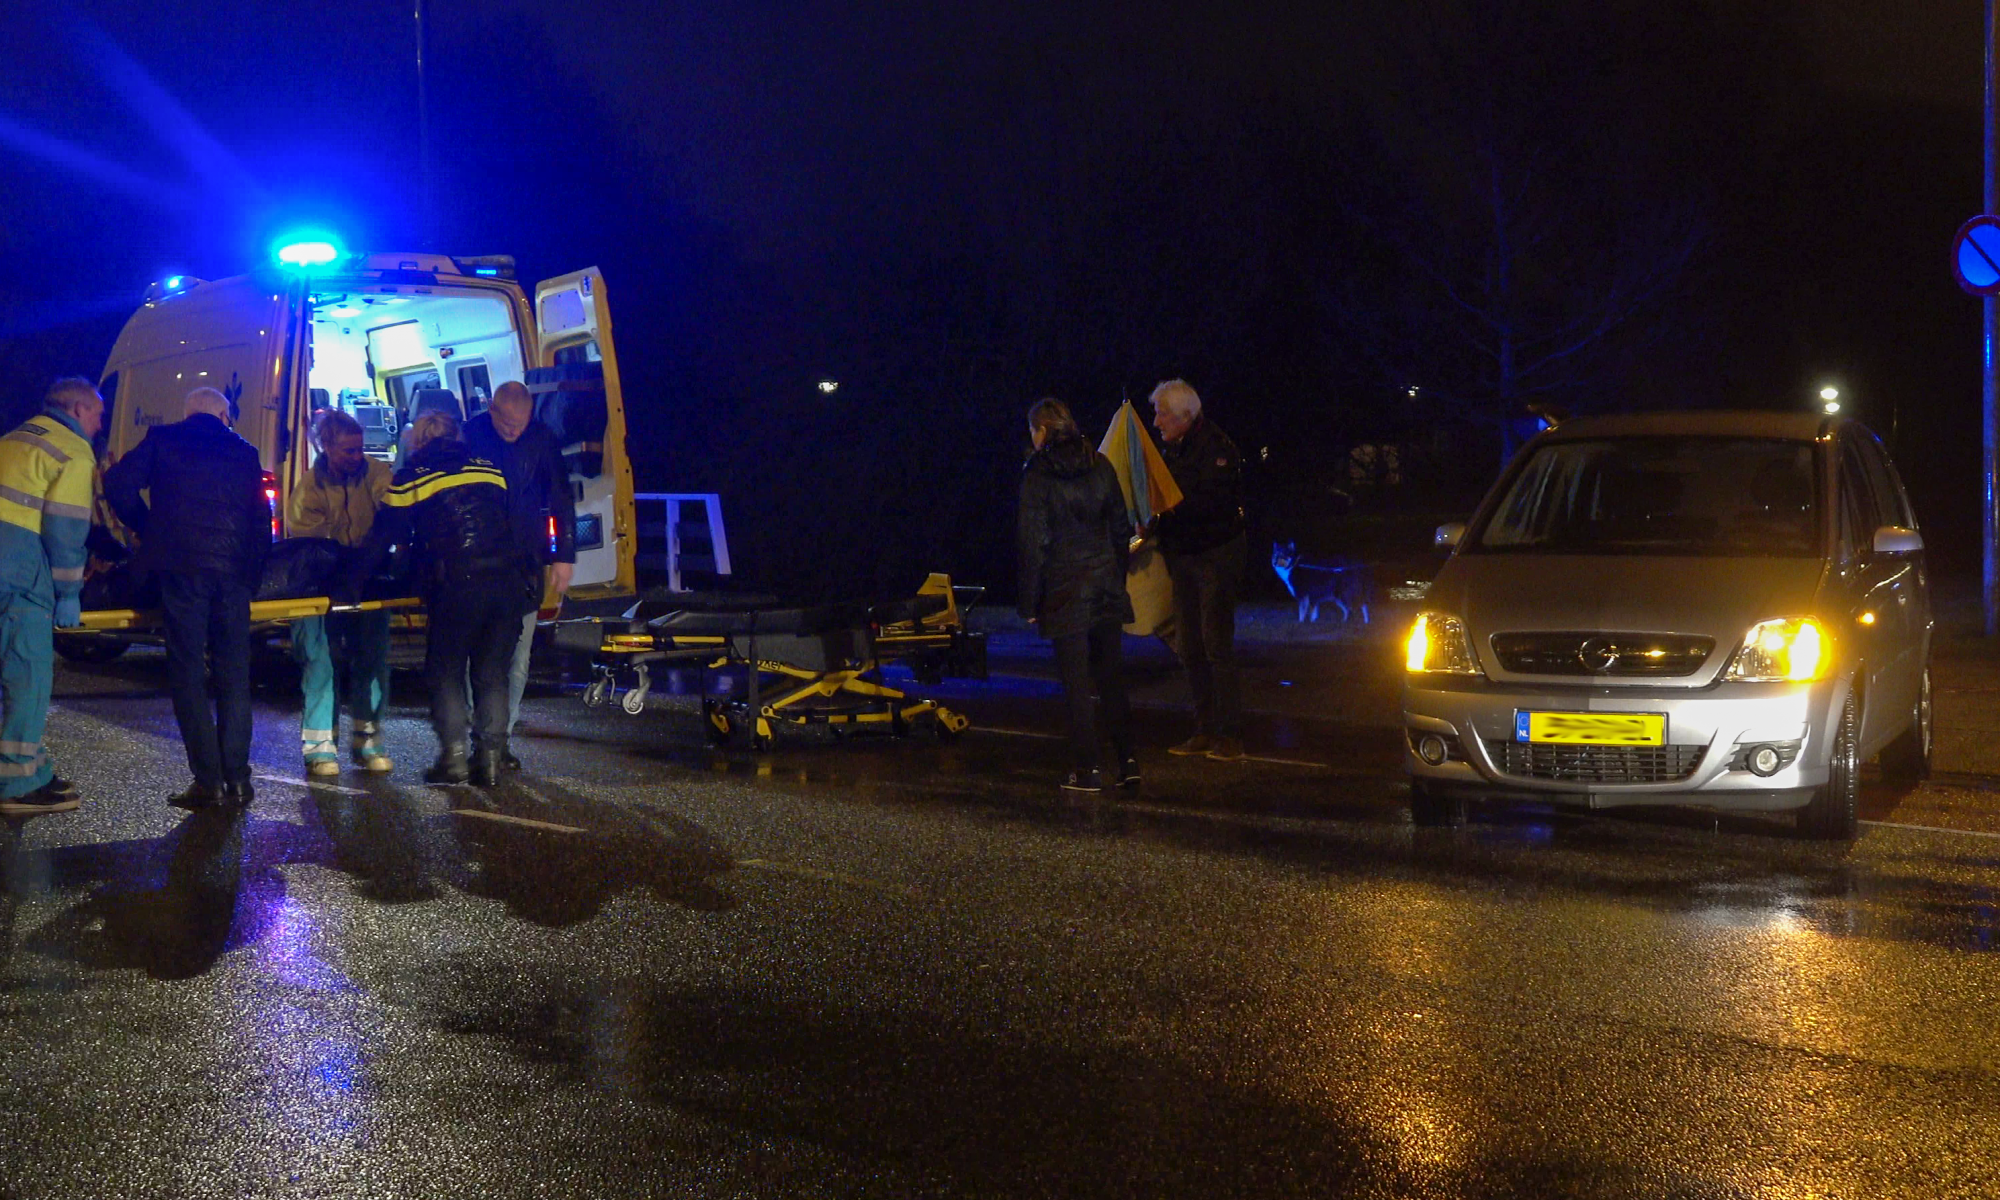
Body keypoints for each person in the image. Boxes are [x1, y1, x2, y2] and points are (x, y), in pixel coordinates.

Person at [342, 409, 532, 786]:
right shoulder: (488, 467)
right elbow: (514, 521)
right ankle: (491, 759)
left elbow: (383, 538)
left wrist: (350, 581)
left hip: (457, 586)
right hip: (507, 584)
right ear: (455, 435)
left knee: (445, 671)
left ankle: (454, 760)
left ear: (418, 440)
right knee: (492, 672)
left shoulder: (413, 476)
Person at [104, 387, 271, 809]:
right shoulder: (245, 452)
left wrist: (149, 526)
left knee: (188, 672)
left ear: (188, 412)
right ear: (222, 414)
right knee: (234, 674)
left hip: (181, 570)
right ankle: (238, 779)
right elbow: (260, 520)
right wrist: (252, 574)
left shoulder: (162, 439)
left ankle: (208, 781)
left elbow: (118, 484)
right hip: (232, 574)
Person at [1016, 398, 1137, 795]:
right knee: (1111, 677)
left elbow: (1034, 542)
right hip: (1104, 585)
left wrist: (1030, 601)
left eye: (1033, 429)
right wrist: (1114, 577)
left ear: (1043, 431)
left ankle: (1088, 770)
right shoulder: (1099, 464)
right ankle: (1128, 763)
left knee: (1077, 684)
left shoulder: (1039, 475)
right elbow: (1121, 529)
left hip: (1066, 588)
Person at [0, 378, 103, 816]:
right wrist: (68, 591)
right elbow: (64, 530)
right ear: (79, 409)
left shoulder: (16, 436)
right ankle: (17, 782)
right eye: (99, 413)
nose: (101, 423)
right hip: (19, 564)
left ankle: (35, 770)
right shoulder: (73, 449)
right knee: (29, 672)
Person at [461, 380, 576, 770]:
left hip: (525, 561)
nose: (513, 431)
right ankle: (481, 737)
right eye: (506, 423)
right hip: (478, 560)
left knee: (519, 658)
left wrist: (564, 555)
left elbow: (561, 497)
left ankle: (500, 738)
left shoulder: (542, 438)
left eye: (520, 423)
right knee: (476, 657)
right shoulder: (470, 435)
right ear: (491, 410)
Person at [286, 408, 395, 777]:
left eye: (360, 448)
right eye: (348, 450)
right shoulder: (308, 489)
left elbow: (389, 505)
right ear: (326, 447)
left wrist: (368, 565)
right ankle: (320, 749)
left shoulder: (377, 474)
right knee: (320, 663)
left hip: (368, 579)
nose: (357, 457)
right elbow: (310, 544)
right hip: (320, 584)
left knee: (373, 660)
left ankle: (369, 742)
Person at [1148, 379, 1246, 762]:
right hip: (1184, 556)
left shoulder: (1218, 450)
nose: (1157, 422)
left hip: (1215, 555)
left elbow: (1207, 503)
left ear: (1185, 416)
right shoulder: (1172, 449)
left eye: (1162, 413)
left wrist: (1166, 508)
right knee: (1189, 644)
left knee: (1216, 642)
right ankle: (1204, 728)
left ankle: (1230, 735)